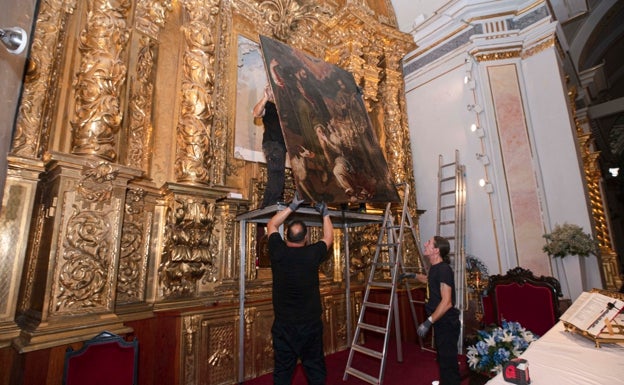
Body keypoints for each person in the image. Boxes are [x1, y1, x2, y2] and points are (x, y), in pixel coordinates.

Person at [267, 193, 334, 385]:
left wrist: (292, 206)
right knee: (315, 369)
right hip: (309, 326)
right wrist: (325, 213)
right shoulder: (311, 254)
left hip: (284, 325)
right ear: (305, 238)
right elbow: (328, 237)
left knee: (282, 370)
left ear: (286, 235)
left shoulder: (277, 251)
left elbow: (272, 225)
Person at [415, 236, 461, 385]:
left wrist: (428, 322)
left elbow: (447, 302)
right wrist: (413, 276)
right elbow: (430, 279)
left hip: (447, 323)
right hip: (440, 322)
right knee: (443, 359)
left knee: (448, 363)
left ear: (436, 250)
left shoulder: (444, 269)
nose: (425, 244)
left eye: (429, 243)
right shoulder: (436, 268)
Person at [253, 84, 287, 208]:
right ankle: (271, 205)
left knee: (278, 177)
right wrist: (265, 97)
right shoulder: (269, 104)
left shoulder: (284, 108)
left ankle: (268, 205)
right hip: (272, 144)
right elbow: (256, 113)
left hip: (281, 146)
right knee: (276, 175)